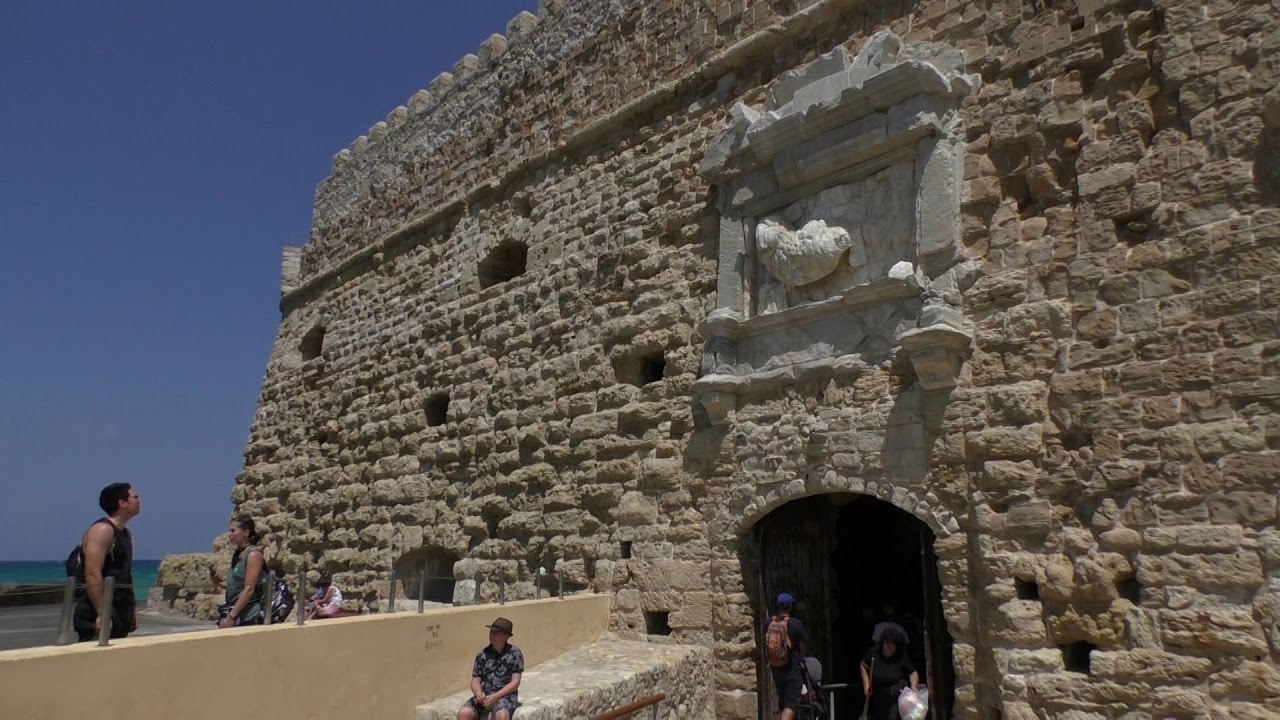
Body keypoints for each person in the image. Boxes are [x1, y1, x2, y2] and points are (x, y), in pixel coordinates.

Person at [72, 483, 142, 642]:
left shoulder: (125, 532)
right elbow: (92, 572)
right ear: (122, 503)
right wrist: (102, 614)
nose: (139, 500)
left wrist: (131, 610)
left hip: (119, 609)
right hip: (96, 611)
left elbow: (124, 573)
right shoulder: (102, 530)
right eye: (135, 497)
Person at [457, 616, 524, 720]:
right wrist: (478, 694)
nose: (492, 635)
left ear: (506, 636)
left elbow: (515, 682)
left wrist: (496, 696)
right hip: (485, 696)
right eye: (491, 632)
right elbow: (475, 680)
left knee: (502, 716)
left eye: (496, 633)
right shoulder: (482, 655)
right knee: (464, 713)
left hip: (504, 696)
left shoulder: (515, 654)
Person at [208, 517, 266, 628]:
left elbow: (249, 589)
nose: (230, 534)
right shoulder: (238, 554)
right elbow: (238, 587)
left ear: (246, 532)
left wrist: (231, 617)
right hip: (237, 614)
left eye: (233, 531)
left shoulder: (253, 555)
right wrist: (218, 582)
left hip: (248, 616)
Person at [860, 626, 919, 720]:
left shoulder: (901, 654)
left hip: (896, 693)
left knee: (893, 717)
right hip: (880, 693)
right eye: (887, 643)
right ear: (883, 643)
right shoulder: (874, 651)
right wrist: (866, 685)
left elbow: (912, 672)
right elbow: (863, 665)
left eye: (893, 644)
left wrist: (914, 687)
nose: (890, 647)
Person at [766, 592, 808, 720]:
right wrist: (801, 658)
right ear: (790, 607)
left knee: (783, 702)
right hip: (791, 670)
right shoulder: (795, 624)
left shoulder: (769, 623)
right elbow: (802, 647)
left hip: (776, 669)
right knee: (791, 705)